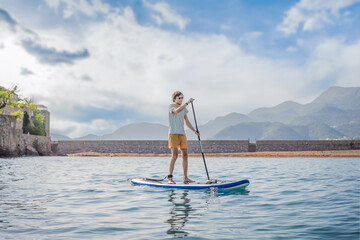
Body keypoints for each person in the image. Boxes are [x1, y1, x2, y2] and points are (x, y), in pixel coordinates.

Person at [168, 91, 200, 184]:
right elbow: (177, 111)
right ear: (174, 99)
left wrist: (194, 131)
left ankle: (185, 177)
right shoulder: (171, 107)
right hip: (173, 134)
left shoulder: (184, 109)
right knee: (175, 156)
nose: (181, 99)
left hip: (182, 134)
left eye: (182, 98)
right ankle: (170, 178)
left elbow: (187, 121)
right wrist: (188, 103)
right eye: (179, 98)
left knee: (185, 155)